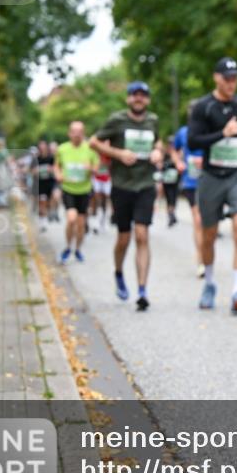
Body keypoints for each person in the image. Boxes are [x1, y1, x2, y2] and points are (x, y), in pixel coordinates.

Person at [187, 56, 237, 312]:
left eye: (235, 78)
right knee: (209, 235)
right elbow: (193, 142)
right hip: (211, 176)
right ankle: (209, 283)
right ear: (216, 78)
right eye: (227, 78)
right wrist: (223, 134)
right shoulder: (203, 107)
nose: (232, 83)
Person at [90, 81, 162, 312]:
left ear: (148, 99)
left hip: (145, 185)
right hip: (122, 185)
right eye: (135, 95)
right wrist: (118, 153)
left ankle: (142, 290)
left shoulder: (153, 120)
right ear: (128, 99)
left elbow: (158, 141)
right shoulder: (117, 120)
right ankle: (119, 272)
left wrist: (158, 151)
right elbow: (94, 142)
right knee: (124, 238)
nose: (139, 98)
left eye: (143, 95)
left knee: (142, 235)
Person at [54, 121, 99, 264]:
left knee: (81, 225)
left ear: (83, 133)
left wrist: (90, 168)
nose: (77, 134)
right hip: (68, 189)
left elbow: (97, 169)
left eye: (80, 132)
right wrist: (58, 175)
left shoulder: (90, 149)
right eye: (74, 131)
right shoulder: (62, 149)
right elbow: (56, 166)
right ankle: (68, 247)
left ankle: (78, 249)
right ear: (69, 133)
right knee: (71, 219)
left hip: (84, 190)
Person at [173, 119, 206, 277]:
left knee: (209, 224)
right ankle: (201, 261)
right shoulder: (183, 132)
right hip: (191, 182)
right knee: (198, 220)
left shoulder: (211, 130)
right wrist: (178, 162)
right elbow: (173, 149)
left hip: (211, 181)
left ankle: (205, 254)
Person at [156, 137, 180, 227]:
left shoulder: (177, 154)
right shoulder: (165, 154)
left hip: (175, 180)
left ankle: (172, 214)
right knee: (169, 198)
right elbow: (160, 166)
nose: (171, 145)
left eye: (172, 144)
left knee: (174, 198)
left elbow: (180, 166)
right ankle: (170, 216)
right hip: (167, 181)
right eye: (170, 144)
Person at [89, 152, 112, 234]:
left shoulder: (109, 154)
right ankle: (96, 222)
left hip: (106, 179)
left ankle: (103, 221)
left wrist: (107, 164)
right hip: (96, 179)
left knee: (106, 200)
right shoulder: (94, 154)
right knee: (96, 200)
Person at [34, 140, 55, 231]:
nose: (42, 149)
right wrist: (37, 171)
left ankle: (46, 216)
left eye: (44, 147)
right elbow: (31, 171)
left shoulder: (51, 158)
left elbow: (56, 168)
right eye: (40, 147)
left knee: (48, 202)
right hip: (40, 183)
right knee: (41, 202)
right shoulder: (36, 159)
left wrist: (51, 169)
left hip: (50, 182)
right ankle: (42, 222)